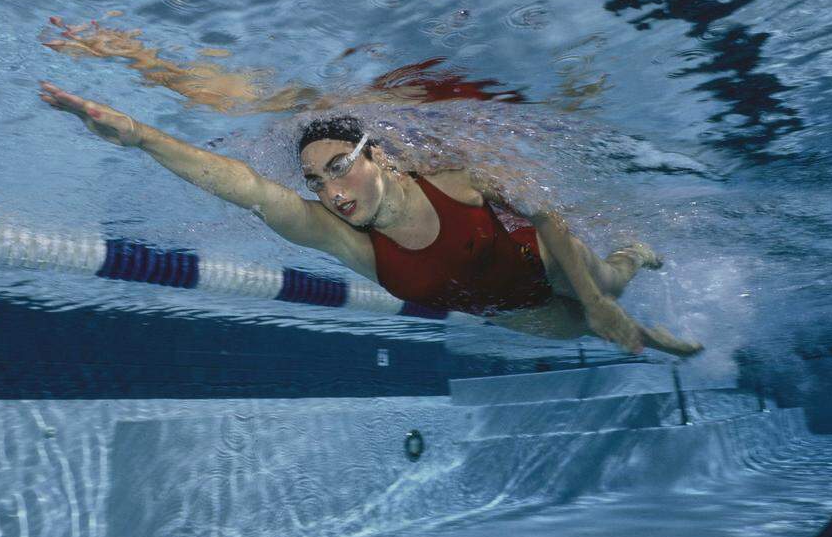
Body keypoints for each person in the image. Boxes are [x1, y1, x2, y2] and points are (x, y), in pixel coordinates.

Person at [38, 81, 702, 356]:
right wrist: (141, 136)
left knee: (605, 293)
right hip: (509, 310)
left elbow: (547, 214)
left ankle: (630, 257)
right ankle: (628, 308)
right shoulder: (349, 244)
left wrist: (596, 297)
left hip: (543, 259)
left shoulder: (454, 177)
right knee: (589, 331)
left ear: (378, 155)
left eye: (339, 167)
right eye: (315, 182)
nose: (331, 191)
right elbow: (246, 190)